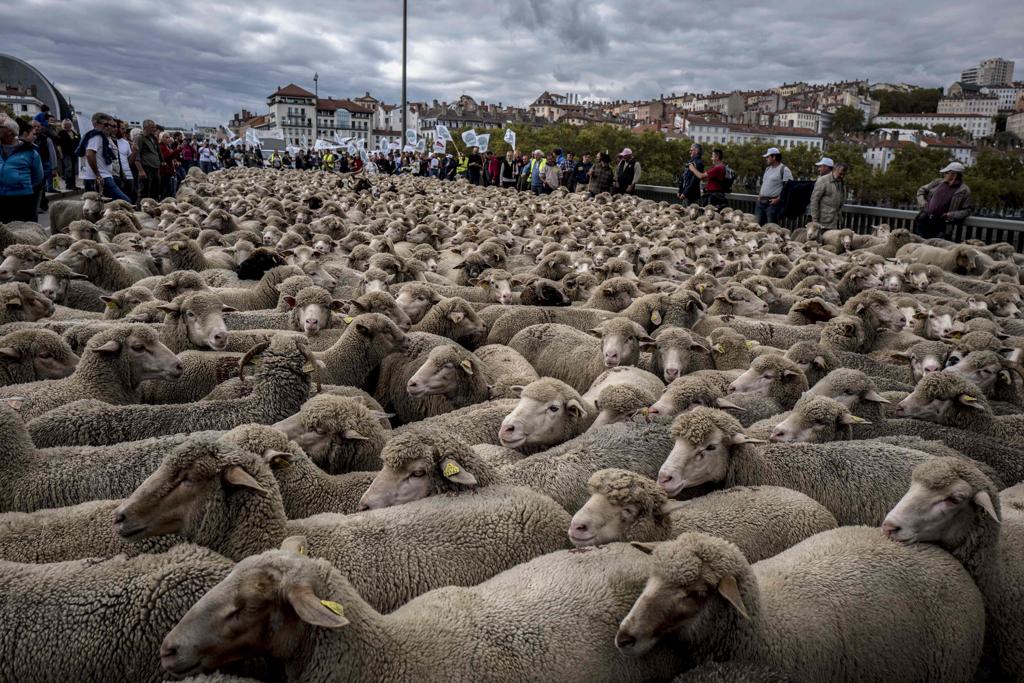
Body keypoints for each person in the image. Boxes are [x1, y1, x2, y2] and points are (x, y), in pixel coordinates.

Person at [0, 117, 44, 223]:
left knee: (23, 234)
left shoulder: (30, 152)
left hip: (22, 199)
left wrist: (20, 184)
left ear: (10, 131)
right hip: (1, 199)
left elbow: (38, 178)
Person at [914, 162, 973, 239]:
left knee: (936, 248)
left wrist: (952, 215)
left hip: (942, 225)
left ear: (954, 174)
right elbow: (921, 190)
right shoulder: (937, 182)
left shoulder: (964, 190)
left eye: (946, 172)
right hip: (924, 220)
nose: (944, 174)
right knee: (921, 247)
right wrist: (922, 202)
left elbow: (968, 210)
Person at [755, 147, 793, 226]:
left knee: (771, 227)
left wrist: (778, 199)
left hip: (772, 203)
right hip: (761, 202)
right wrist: (759, 196)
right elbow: (764, 183)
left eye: (768, 157)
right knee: (758, 226)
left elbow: (789, 187)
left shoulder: (784, 169)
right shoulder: (768, 169)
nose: (766, 159)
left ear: (774, 157)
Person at [809, 161, 847, 229]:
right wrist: (815, 221)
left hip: (836, 222)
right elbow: (814, 200)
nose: (842, 176)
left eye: (844, 174)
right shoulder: (823, 180)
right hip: (823, 223)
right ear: (835, 170)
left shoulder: (841, 182)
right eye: (840, 174)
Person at [134, 120, 162, 200]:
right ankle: (140, 209)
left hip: (155, 168)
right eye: (152, 127)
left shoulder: (153, 138)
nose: (154, 129)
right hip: (146, 168)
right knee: (144, 192)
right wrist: (141, 170)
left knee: (155, 192)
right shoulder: (140, 137)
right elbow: (137, 154)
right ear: (146, 127)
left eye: (154, 127)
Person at [114, 121, 137, 204]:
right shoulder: (110, 141)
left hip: (128, 176)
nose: (124, 131)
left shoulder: (125, 143)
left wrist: (134, 151)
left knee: (131, 200)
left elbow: (129, 161)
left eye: (125, 129)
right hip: (117, 176)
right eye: (122, 128)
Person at [57, 120, 80, 190]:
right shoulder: (61, 133)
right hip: (66, 153)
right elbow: (58, 144)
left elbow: (77, 140)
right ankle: (69, 185)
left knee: (73, 169)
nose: (68, 125)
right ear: (64, 125)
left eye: (69, 124)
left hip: (74, 153)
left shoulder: (74, 132)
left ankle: (73, 184)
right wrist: (60, 153)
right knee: (68, 169)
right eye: (66, 124)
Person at [158, 131, 180, 199]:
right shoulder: (161, 147)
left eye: (169, 137)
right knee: (166, 190)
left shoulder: (167, 146)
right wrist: (177, 150)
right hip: (164, 172)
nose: (168, 139)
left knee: (169, 190)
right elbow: (167, 157)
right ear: (161, 138)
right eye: (166, 137)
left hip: (169, 171)